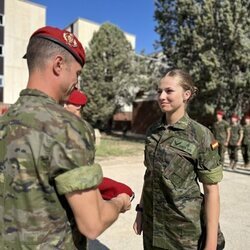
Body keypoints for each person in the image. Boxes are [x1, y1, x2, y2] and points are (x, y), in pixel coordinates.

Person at [0, 26, 132, 249]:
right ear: (59, 64)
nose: (76, 83)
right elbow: (93, 224)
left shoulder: (5, 121)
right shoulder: (67, 126)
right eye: (77, 74)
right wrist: (120, 201)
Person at [133, 69, 224, 250]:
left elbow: (212, 192)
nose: (162, 96)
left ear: (186, 94)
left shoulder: (201, 135)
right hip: (153, 227)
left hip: (183, 233)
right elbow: (149, 175)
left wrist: (211, 243)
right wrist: (141, 210)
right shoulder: (153, 131)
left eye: (169, 91)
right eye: (159, 91)